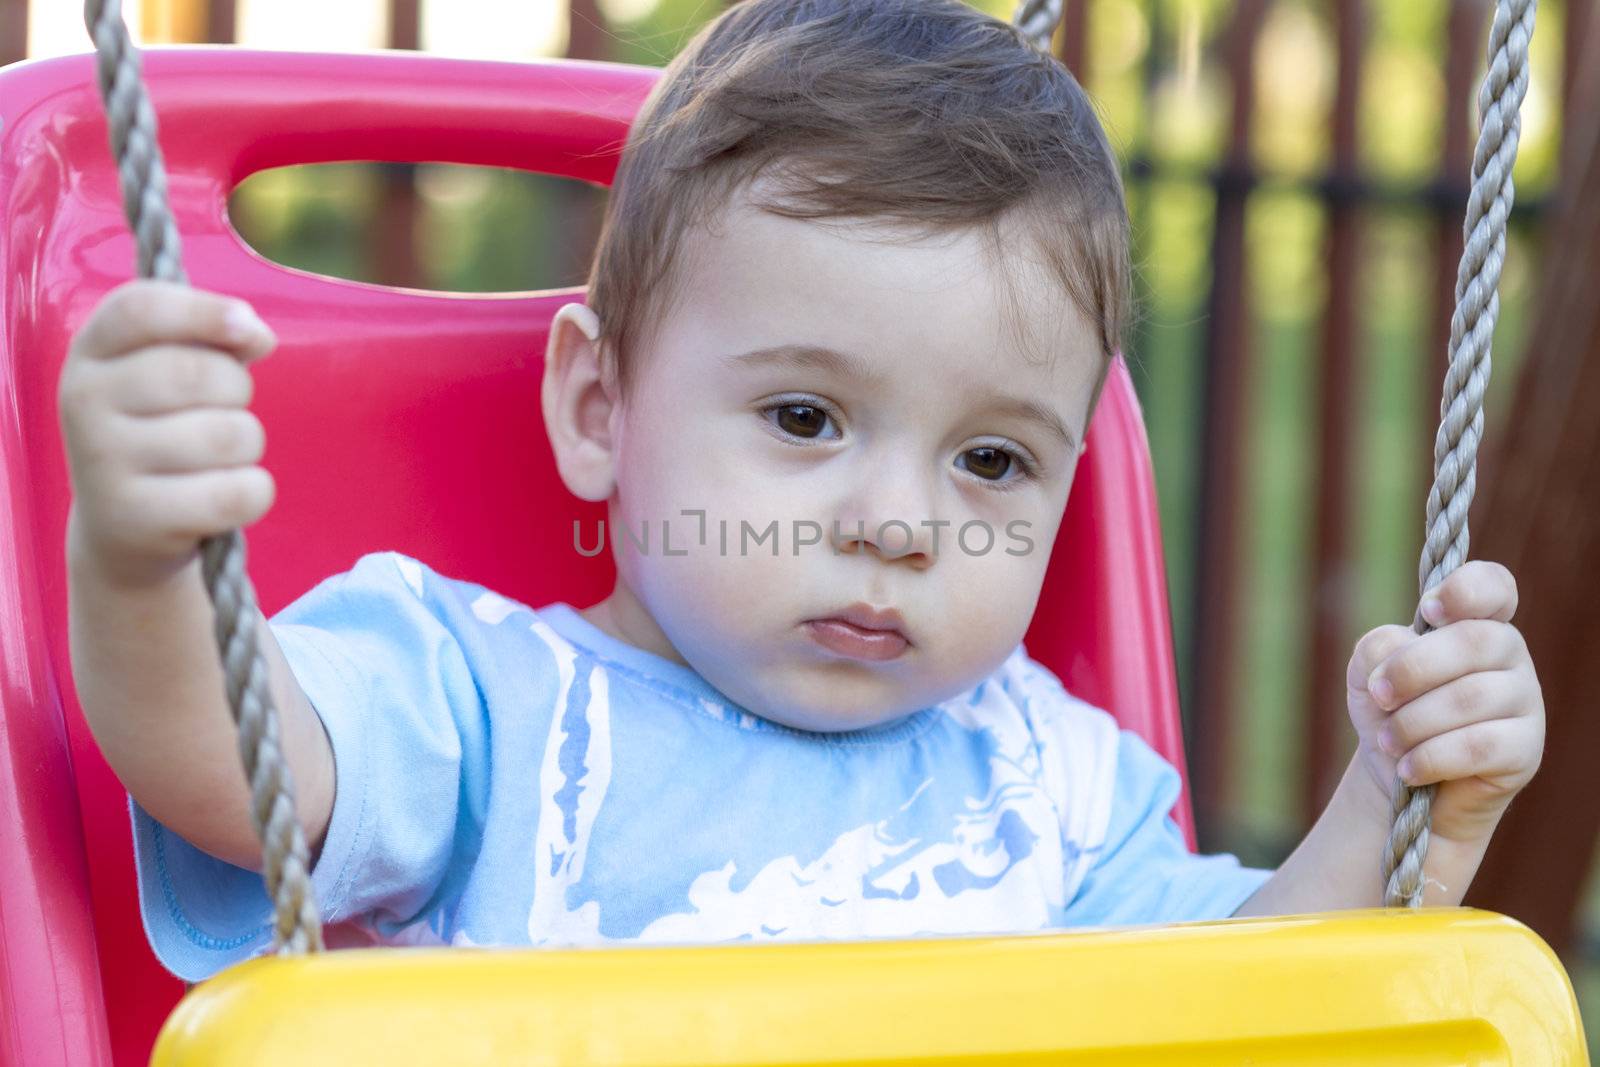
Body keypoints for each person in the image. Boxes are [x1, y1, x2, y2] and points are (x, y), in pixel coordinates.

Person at [57, 0, 1545, 982]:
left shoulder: (1049, 788)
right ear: (598, 406)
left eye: (991, 460)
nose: (900, 522)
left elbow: (1269, 999)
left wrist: (1407, 804)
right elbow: (228, 769)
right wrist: (143, 561)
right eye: (804, 415)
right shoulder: (479, 703)